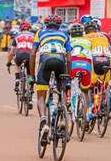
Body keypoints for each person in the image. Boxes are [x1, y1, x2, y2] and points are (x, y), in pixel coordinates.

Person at [29, 15, 71, 144]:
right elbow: (69, 58)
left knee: (41, 96)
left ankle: (43, 121)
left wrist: (32, 75)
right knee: (63, 89)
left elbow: (32, 54)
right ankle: (63, 117)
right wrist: (68, 77)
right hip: (60, 62)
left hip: (45, 61)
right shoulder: (65, 34)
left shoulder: (40, 33)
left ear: (46, 24)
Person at [67, 23, 93, 116]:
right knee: (85, 91)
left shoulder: (68, 41)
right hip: (86, 66)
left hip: (73, 66)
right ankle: (88, 113)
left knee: (68, 84)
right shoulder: (88, 41)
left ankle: (69, 103)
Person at [6, 22, 35, 95]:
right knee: (30, 71)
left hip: (20, 54)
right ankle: (30, 86)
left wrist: (9, 62)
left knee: (16, 63)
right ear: (29, 29)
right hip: (30, 55)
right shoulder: (34, 36)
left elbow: (11, 52)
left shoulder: (17, 36)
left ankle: (17, 78)